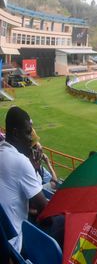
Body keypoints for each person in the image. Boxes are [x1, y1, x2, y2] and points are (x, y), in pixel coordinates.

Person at [0, 107, 48, 252]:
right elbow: (45, 211)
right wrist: (32, 167)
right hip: (15, 243)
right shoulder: (20, 161)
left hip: (4, 237)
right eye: (28, 132)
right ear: (15, 133)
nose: (31, 139)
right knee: (61, 222)